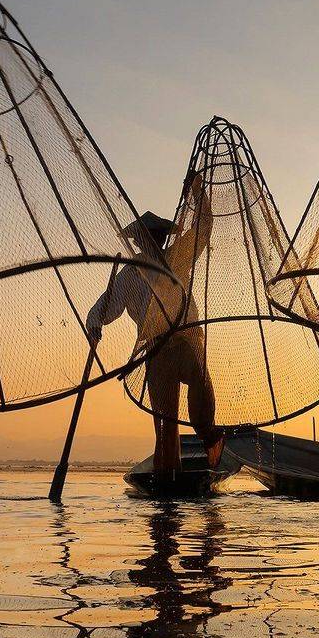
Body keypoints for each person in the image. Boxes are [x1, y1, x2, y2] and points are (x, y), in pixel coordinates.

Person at [86, 172, 223, 475]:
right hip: (156, 350)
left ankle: (211, 437)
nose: (152, 242)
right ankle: (166, 485)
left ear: (162, 239)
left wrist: (198, 194)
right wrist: (95, 326)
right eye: (146, 237)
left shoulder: (177, 258)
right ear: (138, 241)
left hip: (188, 340)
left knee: (201, 401)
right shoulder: (130, 274)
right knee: (165, 424)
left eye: (157, 237)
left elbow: (203, 228)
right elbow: (103, 307)